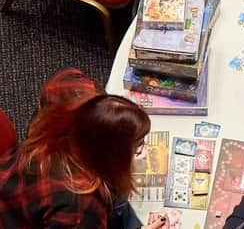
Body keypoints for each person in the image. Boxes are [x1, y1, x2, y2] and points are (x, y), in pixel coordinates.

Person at [0, 70, 166, 229]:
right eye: (136, 148)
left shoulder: (62, 127)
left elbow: (68, 79)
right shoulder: (83, 208)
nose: (143, 154)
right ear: (110, 158)